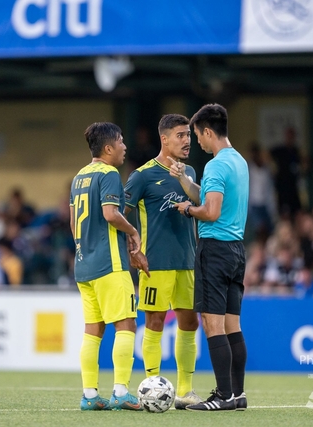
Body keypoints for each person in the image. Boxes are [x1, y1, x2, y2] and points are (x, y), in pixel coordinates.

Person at [171, 104, 249, 411]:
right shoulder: (239, 161)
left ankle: (223, 396)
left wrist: (188, 210)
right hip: (236, 250)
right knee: (232, 326)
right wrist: (184, 181)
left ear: (207, 131)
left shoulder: (216, 165)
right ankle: (237, 394)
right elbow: (212, 197)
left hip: (215, 250)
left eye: (196, 135)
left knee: (212, 324)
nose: (196, 142)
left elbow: (211, 211)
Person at [123, 114, 202, 409]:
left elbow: (201, 203)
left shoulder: (189, 172)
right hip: (155, 263)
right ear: (164, 139)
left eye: (188, 135)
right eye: (181, 135)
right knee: (155, 322)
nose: (187, 141)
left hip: (188, 260)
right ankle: (151, 387)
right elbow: (120, 214)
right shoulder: (142, 175)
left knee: (190, 322)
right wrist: (132, 249)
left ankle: (185, 391)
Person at [71, 122, 148, 411]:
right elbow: (110, 213)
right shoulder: (109, 174)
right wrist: (133, 232)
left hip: (84, 265)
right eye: (121, 141)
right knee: (126, 323)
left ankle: (90, 395)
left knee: (93, 329)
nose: (125, 147)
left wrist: (86, 248)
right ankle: (120, 392)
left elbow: (73, 224)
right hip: (109, 264)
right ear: (108, 148)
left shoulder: (79, 177)